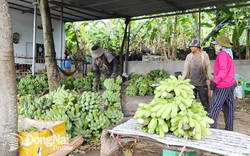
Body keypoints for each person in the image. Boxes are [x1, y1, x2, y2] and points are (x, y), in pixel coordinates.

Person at [91, 45, 130, 117]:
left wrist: (114, 73)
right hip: (106, 75)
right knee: (107, 92)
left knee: (120, 92)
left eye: (99, 56)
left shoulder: (106, 54)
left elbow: (115, 61)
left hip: (115, 72)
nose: (98, 57)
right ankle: (106, 108)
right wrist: (96, 82)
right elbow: (97, 72)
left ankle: (124, 109)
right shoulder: (94, 59)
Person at [209, 35, 236, 131]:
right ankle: (229, 129)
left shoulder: (222, 55)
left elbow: (223, 70)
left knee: (214, 107)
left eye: (216, 45)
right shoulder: (228, 54)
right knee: (229, 107)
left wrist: (215, 82)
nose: (215, 46)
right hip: (230, 83)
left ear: (220, 45)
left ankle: (211, 129)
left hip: (223, 85)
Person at [182, 38, 212, 113]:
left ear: (198, 47)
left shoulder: (204, 56)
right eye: (190, 46)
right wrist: (182, 80)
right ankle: (191, 114)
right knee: (191, 101)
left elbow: (208, 67)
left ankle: (208, 114)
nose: (191, 48)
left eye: (193, 46)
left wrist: (209, 78)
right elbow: (186, 69)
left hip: (202, 82)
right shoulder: (189, 56)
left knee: (204, 100)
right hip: (191, 82)